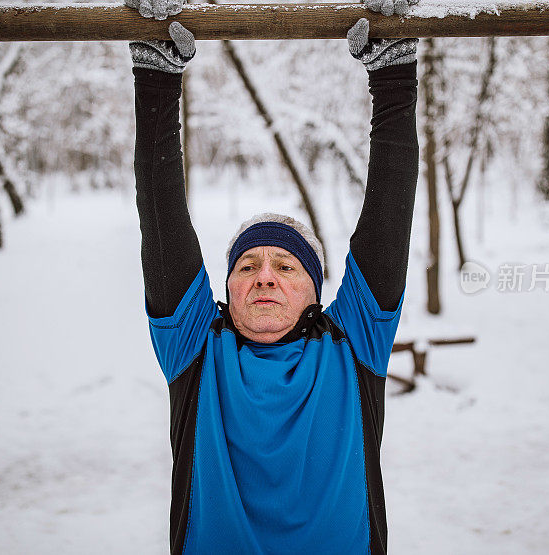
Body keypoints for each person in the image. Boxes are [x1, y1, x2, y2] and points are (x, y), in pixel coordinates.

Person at [126, 0, 419, 550]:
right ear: (226, 289)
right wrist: (156, 79)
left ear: (317, 290)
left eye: (286, 266)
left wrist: (395, 75)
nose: (264, 277)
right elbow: (161, 210)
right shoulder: (195, 347)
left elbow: (389, 214)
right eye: (247, 266)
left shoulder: (353, 340)